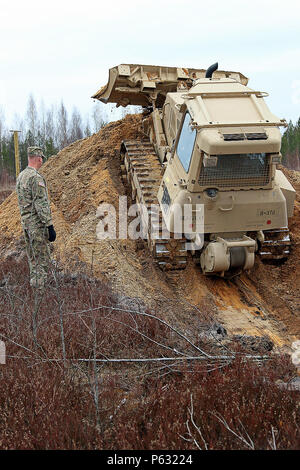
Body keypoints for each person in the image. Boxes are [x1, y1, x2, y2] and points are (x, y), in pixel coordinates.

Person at [16, 146, 56, 289]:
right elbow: (41, 203)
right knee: (42, 261)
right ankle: (40, 296)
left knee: (33, 260)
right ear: (39, 158)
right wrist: (49, 226)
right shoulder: (35, 177)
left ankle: (34, 291)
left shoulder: (21, 176)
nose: (42, 161)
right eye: (41, 159)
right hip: (36, 226)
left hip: (26, 224)